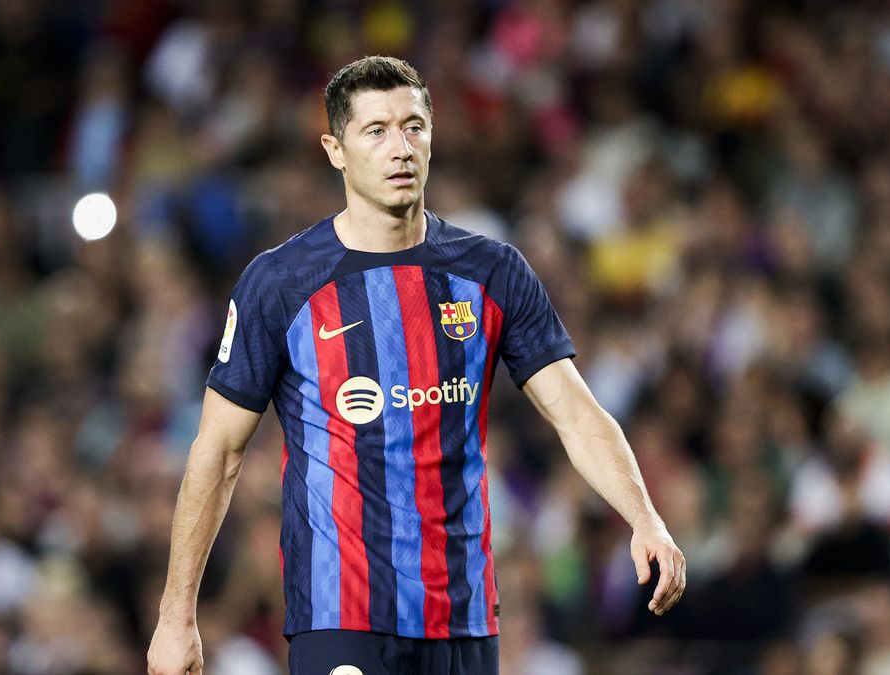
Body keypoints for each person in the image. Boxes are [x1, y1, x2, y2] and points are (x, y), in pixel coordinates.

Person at [146, 55, 685, 675]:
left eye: (414, 126)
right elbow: (217, 452)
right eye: (375, 131)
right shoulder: (281, 283)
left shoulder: (492, 272)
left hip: (462, 613)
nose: (400, 147)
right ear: (335, 150)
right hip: (339, 610)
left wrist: (644, 517)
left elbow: (575, 414)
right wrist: (175, 614)